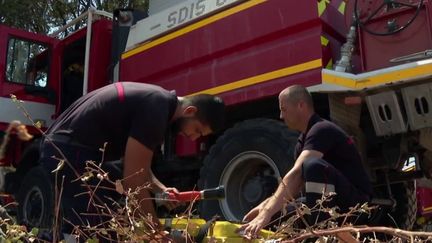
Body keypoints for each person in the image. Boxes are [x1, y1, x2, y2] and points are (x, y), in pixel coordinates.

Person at [38, 82, 225, 234]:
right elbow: (133, 180)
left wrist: (160, 189)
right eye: (197, 131)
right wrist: (156, 233)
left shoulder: (157, 101)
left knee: (87, 221)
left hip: (64, 147)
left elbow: (135, 163)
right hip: (70, 151)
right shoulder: (157, 109)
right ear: (190, 111)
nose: (192, 138)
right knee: (102, 228)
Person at [240, 85, 372, 236]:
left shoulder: (322, 129)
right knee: (275, 216)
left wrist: (266, 212)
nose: (281, 116)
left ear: (301, 105)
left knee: (311, 165)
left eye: (284, 109)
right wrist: (264, 208)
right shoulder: (302, 142)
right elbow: (296, 186)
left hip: (357, 205)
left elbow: (297, 173)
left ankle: (323, 232)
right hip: (332, 201)